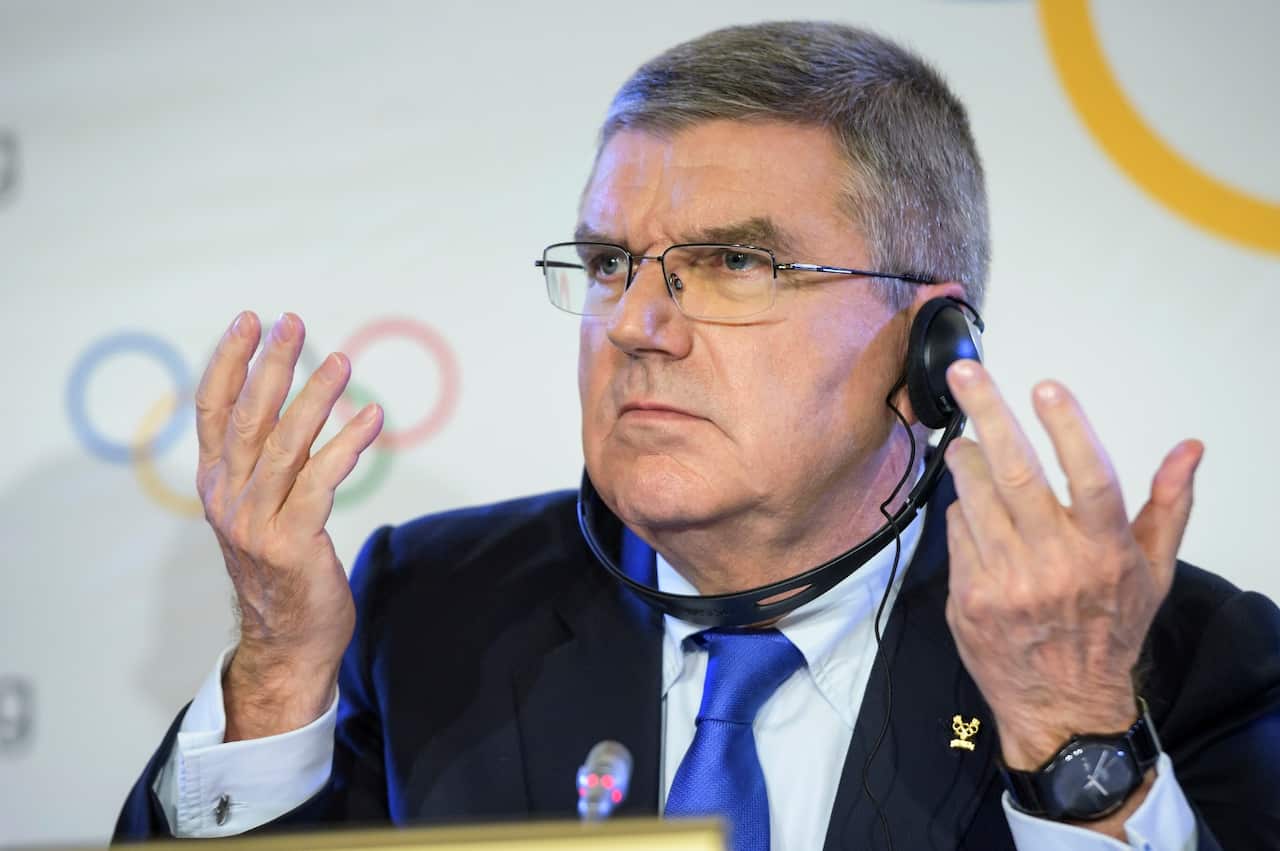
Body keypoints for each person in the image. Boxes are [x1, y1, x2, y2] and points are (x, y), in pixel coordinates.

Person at [115, 21, 1280, 850]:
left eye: (733, 263)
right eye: (612, 263)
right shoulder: (430, 608)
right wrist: (275, 665)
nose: (634, 325)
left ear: (932, 347)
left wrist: (1069, 734)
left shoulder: (1170, 655)